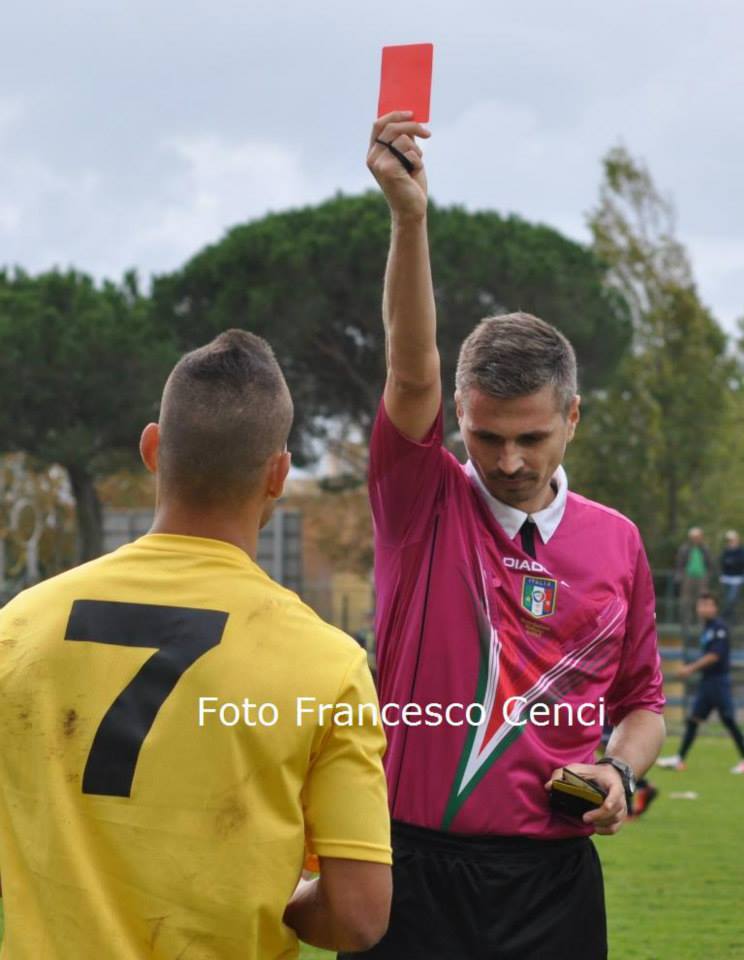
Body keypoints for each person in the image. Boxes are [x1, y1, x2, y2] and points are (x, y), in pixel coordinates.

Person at [349, 111, 667, 960]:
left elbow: (643, 705)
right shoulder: (422, 503)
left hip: (551, 886)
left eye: (532, 437)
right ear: (459, 417)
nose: (511, 460)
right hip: (412, 871)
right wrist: (409, 218)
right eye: (488, 438)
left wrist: (622, 772)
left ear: (571, 416)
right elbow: (410, 367)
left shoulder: (618, 542)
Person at [0, 330, 392, 959]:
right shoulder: (328, 664)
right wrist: (273, 896)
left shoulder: (18, 625)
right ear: (279, 474)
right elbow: (358, 916)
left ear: (152, 449)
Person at [658, 592, 744, 774]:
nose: (703, 608)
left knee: (728, 719)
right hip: (707, 683)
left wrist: (690, 669)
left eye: (708, 605)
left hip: (718, 682)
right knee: (693, 720)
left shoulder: (719, 628)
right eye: (701, 605)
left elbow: (715, 656)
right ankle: (679, 759)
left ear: (715, 607)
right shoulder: (707, 628)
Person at [676, 527, 714, 642]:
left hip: (702, 577)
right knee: (686, 601)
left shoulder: (705, 548)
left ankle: (702, 624)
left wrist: (708, 576)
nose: (696, 539)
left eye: (698, 537)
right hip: (688, 577)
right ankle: (685, 625)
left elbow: (710, 563)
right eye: (694, 537)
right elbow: (680, 563)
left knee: (702, 601)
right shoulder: (685, 548)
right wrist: (681, 576)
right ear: (690, 538)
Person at [719, 529, 744, 624]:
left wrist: (732, 562)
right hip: (726, 578)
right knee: (726, 599)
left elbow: (740, 562)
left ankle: (726, 616)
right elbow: (722, 562)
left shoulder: (741, 551)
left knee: (732, 599)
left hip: (737, 579)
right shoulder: (726, 550)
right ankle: (729, 619)